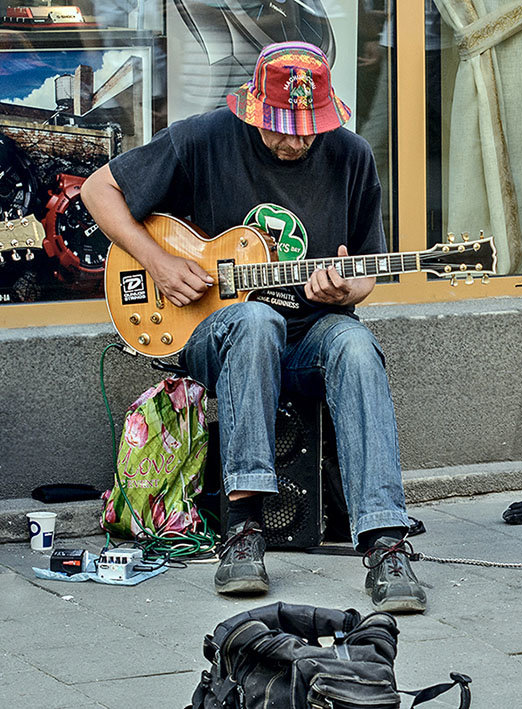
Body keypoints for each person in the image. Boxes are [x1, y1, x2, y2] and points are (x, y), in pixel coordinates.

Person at [81, 41, 427, 613]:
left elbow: (368, 271)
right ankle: (242, 531)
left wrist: (344, 290)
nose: (293, 141)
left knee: (357, 344)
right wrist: (160, 262)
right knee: (255, 319)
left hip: (311, 333)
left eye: (306, 129)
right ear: (254, 110)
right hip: (216, 330)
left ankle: (385, 541)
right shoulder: (206, 137)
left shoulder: (352, 155)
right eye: (280, 128)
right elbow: (99, 190)